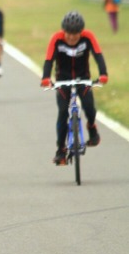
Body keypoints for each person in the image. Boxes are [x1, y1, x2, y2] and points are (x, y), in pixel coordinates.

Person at [40, 11, 108, 165]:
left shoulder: (88, 37)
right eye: (68, 34)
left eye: (75, 34)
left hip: (82, 78)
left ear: (81, 32)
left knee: (90, 107)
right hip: (62, 80)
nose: (71, 37)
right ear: (64, 31)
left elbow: (98, 55)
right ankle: (61, 150)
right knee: (63, 112)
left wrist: (103, 74)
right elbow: (49, 59)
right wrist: (45, 78)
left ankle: (91, 126)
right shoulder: (57, 38)